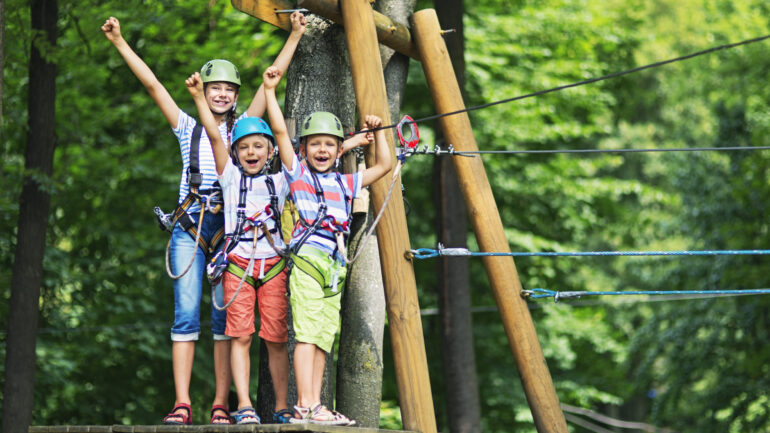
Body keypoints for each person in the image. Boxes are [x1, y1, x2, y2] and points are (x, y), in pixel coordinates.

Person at [101, 13, 307, 425]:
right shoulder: (188, 128)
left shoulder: (247, 130)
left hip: (231, 233)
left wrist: (297, 34)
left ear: (235, 95)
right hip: (191, 226)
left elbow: (273, 80)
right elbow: (153, 85)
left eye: (229, 89)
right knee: (185, 313)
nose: (222, 94)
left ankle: (219, 402)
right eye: (216, 88)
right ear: (205, 90)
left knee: (224, 321)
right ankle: (182, 402)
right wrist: (120, 41)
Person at [263, 66, 392, 425]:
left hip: (334, 267)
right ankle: (305, 403)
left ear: (339, 151)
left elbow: (384, 164)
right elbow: (278, 131)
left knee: (323, 337)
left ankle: (316, 404)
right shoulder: (298, 174)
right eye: (315, 144)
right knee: (305, 333)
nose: (322, 150)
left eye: (329, 145)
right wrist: (271, 92)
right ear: (303, 149)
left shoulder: (346, 182)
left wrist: (378, 133)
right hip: (307, 261)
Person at [186, 70, 292, 424]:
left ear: (270, 151)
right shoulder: (229, 177)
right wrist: (201, 96)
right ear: (235, 154)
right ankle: (244, 404)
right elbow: (216, 138)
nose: (251, 152)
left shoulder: (282, 181)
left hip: (273, 265)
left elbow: (282, 135)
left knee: (276, 338)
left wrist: (272, 91)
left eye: (258, 147)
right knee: (241, 335)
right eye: (244, 147)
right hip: (237, 266)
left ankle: (280, 406)